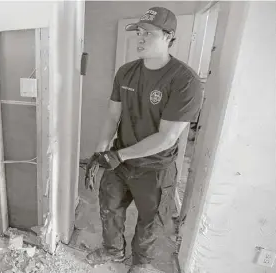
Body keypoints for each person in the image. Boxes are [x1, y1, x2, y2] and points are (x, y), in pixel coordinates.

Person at [84, 7, 203, 273]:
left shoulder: (184, 81)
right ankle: (112, 250)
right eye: (138, 32)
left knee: (151, 220)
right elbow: (113, 115)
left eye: (147, 33)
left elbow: (167, 136)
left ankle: (141, 262)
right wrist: (99, 151)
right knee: (109, 207)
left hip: (155, 168)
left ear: (169, 36)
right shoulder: (126, 72)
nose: (140, 38)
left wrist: (120, 155)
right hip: (120, 161)